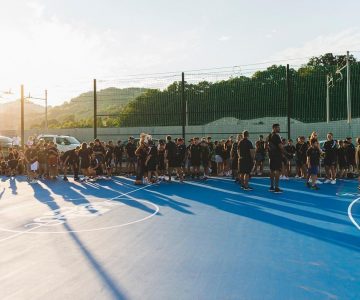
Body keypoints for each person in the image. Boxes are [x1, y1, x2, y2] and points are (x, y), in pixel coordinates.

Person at [267, 124, 284, 193]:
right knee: (277, 171)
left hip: (271, 156)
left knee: (272, 170)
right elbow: (281, 147)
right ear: (274, 128)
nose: (279, 129)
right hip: (276, 156)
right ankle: (276, 188)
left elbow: (266, 145)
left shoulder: (269, 135)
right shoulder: (276, 136)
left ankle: (271, 187)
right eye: (278, 128)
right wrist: (286, 154)